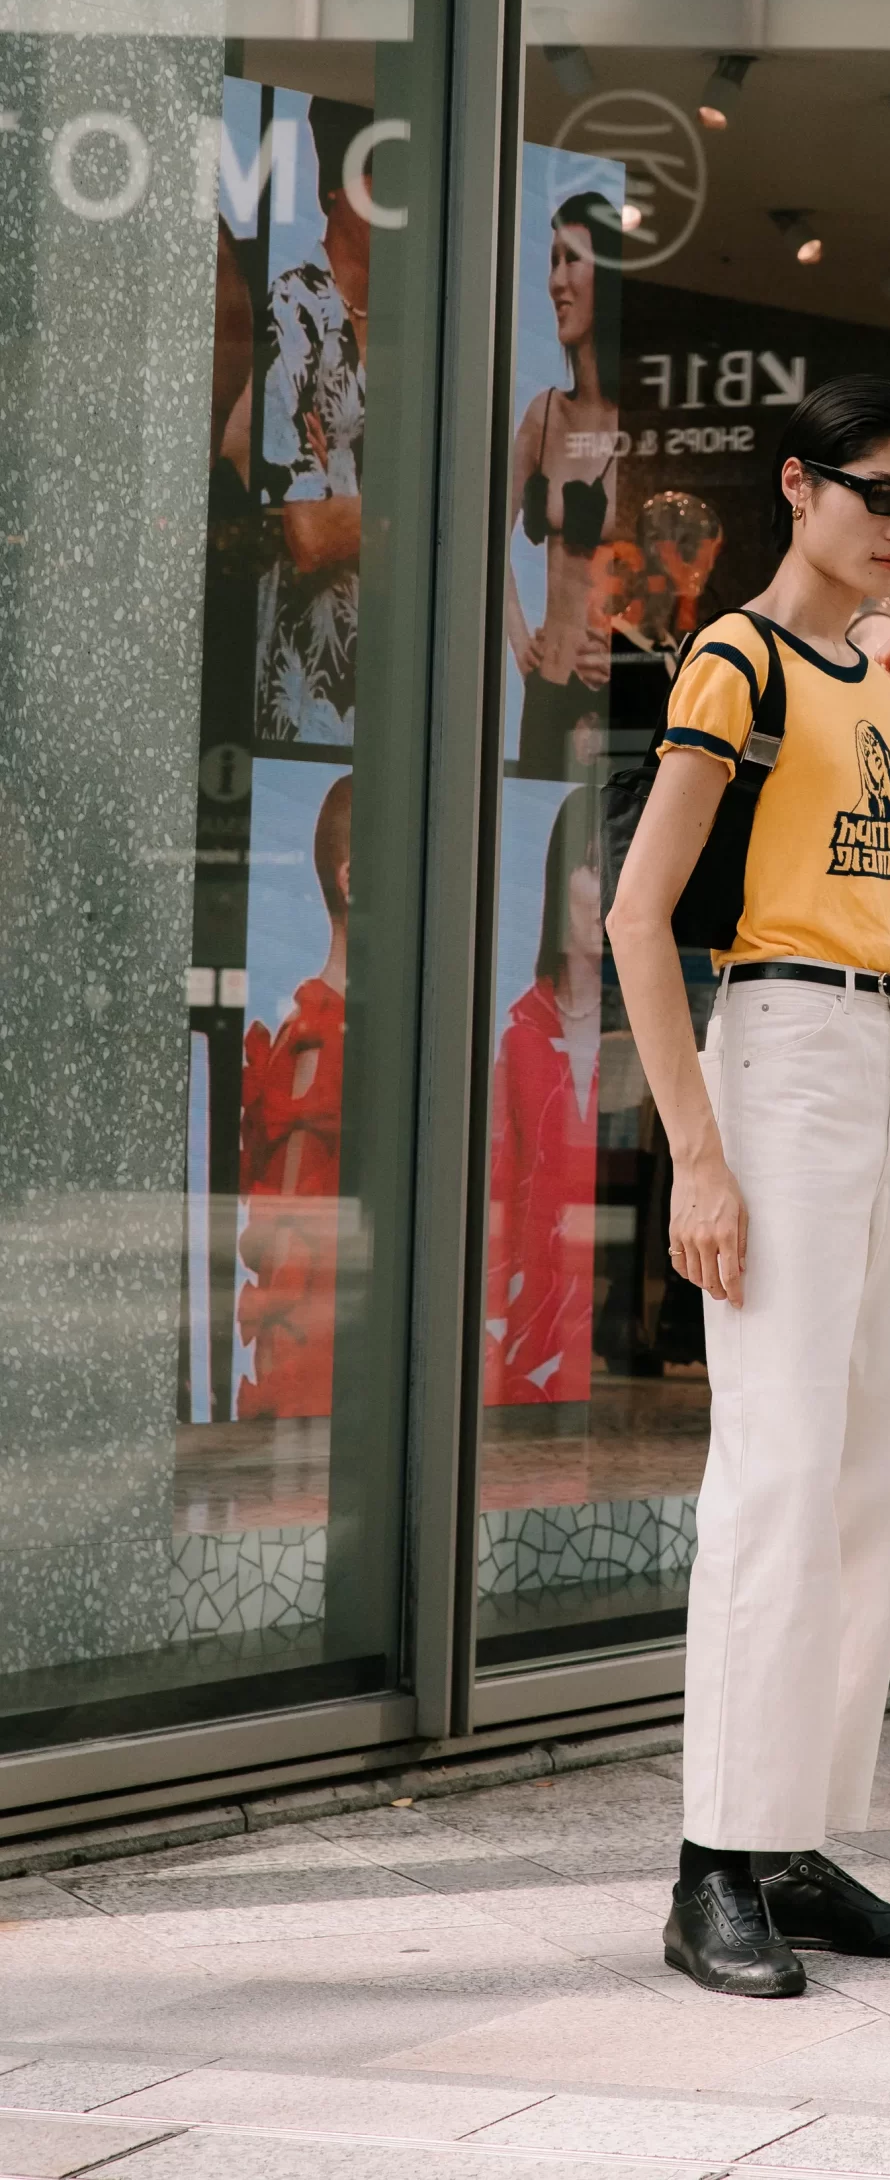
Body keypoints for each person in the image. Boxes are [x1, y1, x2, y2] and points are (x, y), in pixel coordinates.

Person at [606, 374, 890, 1999]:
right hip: (785, 1059)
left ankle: (798, 1836)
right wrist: (697, 1151)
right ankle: (711, 1865)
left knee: (871, 1472)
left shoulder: (881, 682)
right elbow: (635, 916)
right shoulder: (736, 660)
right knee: (776, 1463)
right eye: (875, 493)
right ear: (798, 488)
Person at [255, 98, 371, 744]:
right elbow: (310, 533)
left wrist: (347, 499)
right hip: (311, 663)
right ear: (333, 189)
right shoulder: (296, 303)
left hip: (400, 656)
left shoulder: (417, 326)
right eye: (379, 175)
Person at [237, 771, 352, 1416]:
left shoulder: (323, 1029)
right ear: (353, 880)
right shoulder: (318, 1039)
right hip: (318, 1374)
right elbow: (289, 1238)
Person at [485, 784, 602, 1411]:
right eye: (593, 866)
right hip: (528, 1345)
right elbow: (496, 1201)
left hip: (615, 1345)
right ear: (562, 881)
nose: (608, 891)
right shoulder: (520, 1037)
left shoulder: (654, 1033)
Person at [507, 189, 624, 779]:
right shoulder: (542, 415)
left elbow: (684, 576)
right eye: (551, 260)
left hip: (608, 703)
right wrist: (517, 637)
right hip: (544, 689)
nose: (556, 280)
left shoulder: (644, 427)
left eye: (572, 258)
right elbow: (481, 537)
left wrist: (630, 658)